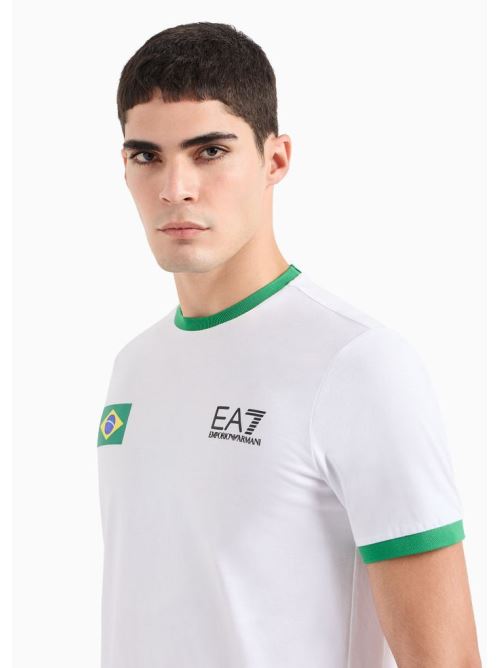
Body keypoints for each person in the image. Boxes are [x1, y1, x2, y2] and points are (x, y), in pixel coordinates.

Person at [96, 21, 482, 668]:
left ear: (275, 160)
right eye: (147, 156)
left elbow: (446, 660)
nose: (174, 188)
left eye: (209, 151)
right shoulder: (133, 366)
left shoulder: (358, 365)